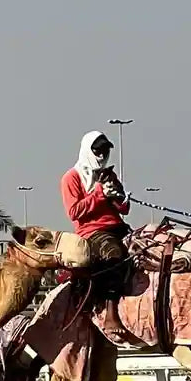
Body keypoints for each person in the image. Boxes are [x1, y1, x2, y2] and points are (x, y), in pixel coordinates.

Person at [60, 130, 133, 334]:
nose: (101, 155)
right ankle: (111, 313)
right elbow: (74, 211)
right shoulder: (71, 178)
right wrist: (100, 193)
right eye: (97, 151)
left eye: (105, 151)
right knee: (114, 255)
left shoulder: (108, 174)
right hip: (93, 232)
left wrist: (116, 194)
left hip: (118, 227)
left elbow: (124, 209)